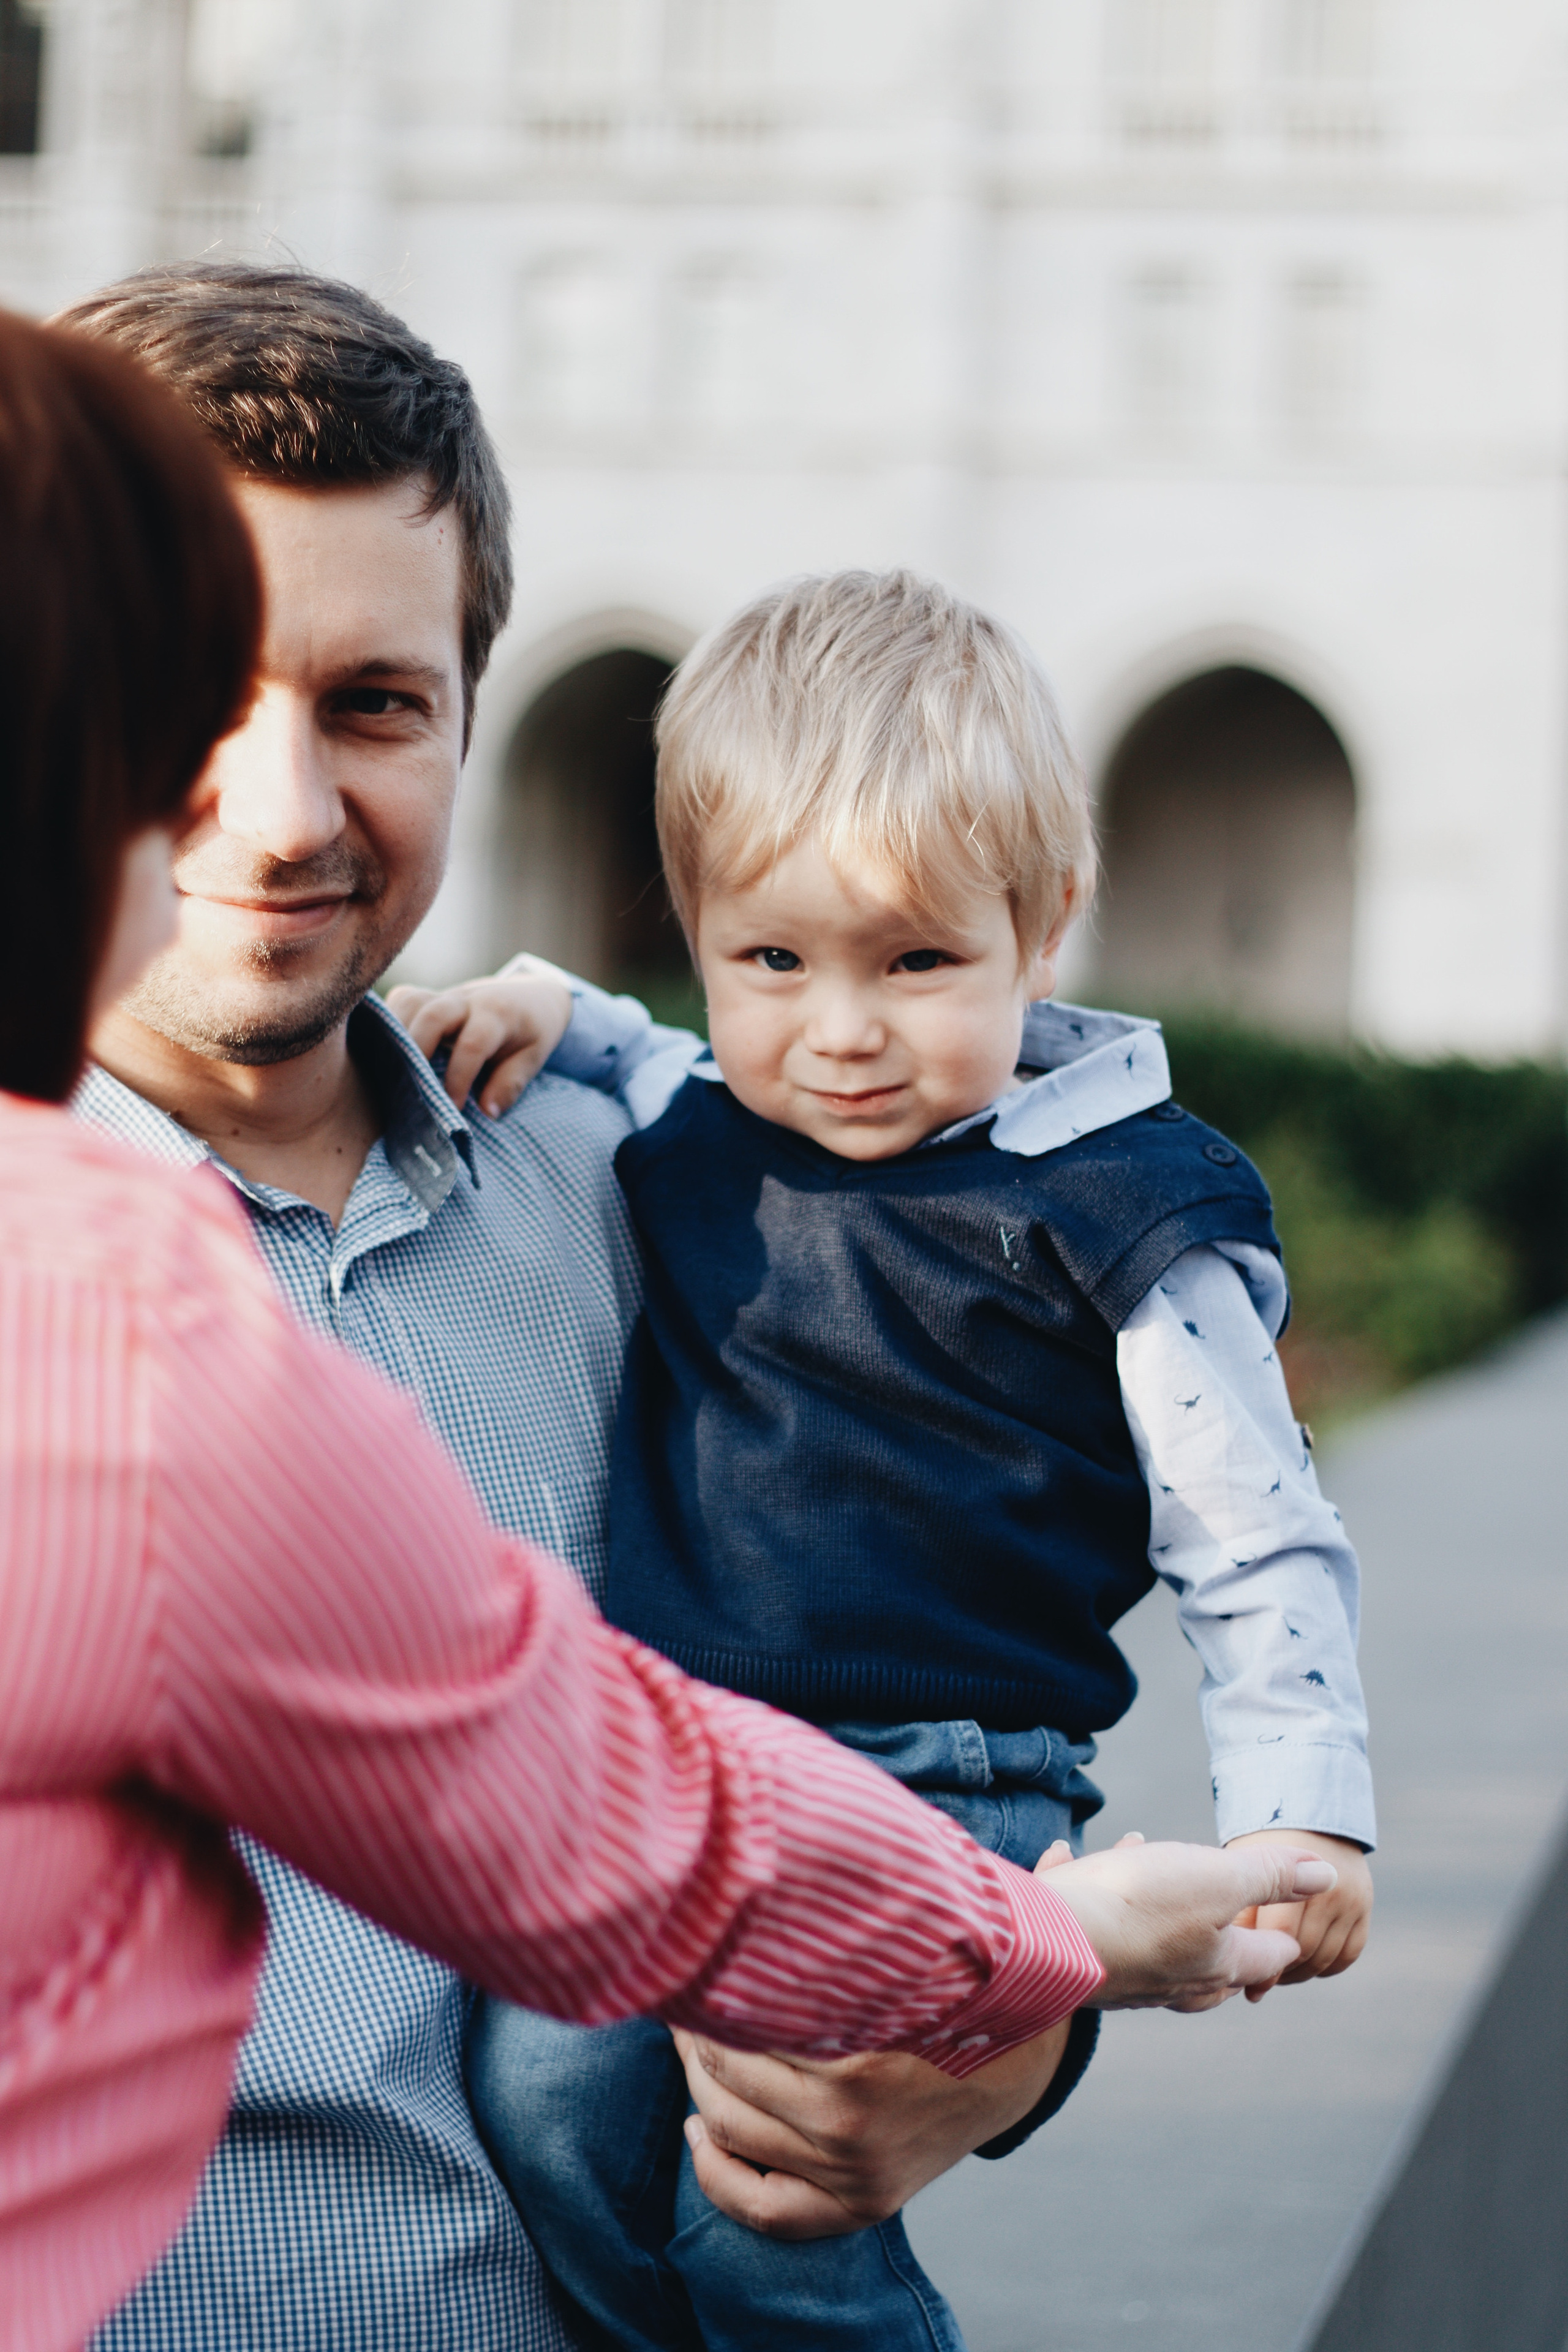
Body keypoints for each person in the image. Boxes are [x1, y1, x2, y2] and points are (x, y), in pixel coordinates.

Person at [0, 312, 1335, 2352]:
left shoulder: (635, 1194)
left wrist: (1001, 2041)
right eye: (185, 694)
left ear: (468, 718)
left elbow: (841, 1749)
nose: (282, 815)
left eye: (371, 701)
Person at [400, 569, 1378, 2351]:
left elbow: (1254, 1531)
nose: (841, 1031)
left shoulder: (1122, 1201)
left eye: (918, 961)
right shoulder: (703, 1112)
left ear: (1046, 922)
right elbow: (653, 1049)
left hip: (943, 1768)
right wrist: (545, 991)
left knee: (775, 2202)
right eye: (773, 959)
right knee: (546, 2102)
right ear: (693, 927)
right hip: (675, 1760)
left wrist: (1305, 1804)